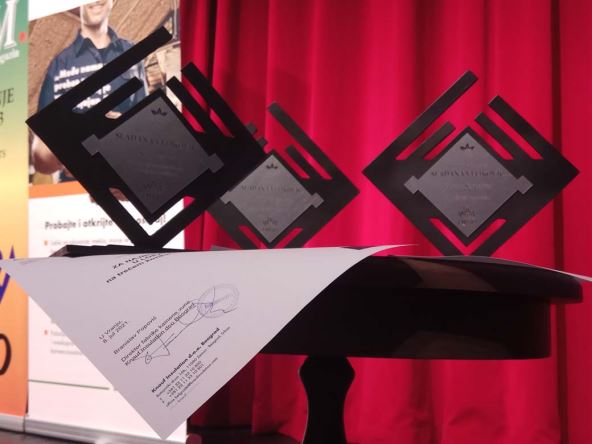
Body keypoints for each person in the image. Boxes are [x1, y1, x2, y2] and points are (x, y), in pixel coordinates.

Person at [32, 0, 147, 182]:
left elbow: (145, 121)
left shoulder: (132, 53)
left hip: (122, 178)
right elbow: (41, 148)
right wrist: (62, 155)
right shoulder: (60, 63)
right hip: (76, 185)